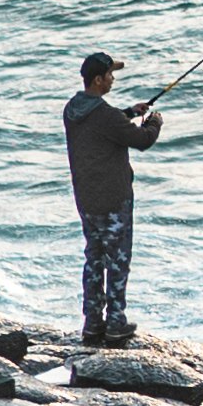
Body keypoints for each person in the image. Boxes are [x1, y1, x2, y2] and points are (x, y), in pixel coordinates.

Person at [62, 50, 163, 344]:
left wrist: (130, 112)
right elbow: (142, 140)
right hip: (114, 198)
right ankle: (116, 321)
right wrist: (153, 121)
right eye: (109, 75)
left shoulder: (72, 109)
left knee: (94, 258)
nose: (112, 80)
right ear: (97, 80)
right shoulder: (105, 116)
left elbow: (105, 123)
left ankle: (93, 323)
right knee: (117, 260)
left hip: (87, 199)